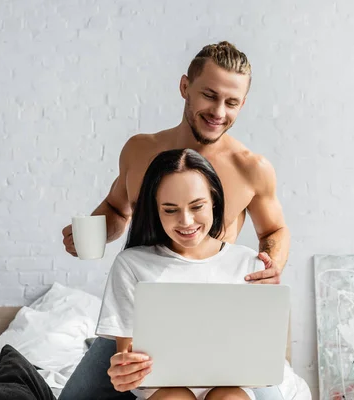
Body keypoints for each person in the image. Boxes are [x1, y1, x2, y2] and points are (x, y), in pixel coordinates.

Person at [59, 42, 290, 400]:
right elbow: (118, 210)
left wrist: (270, 264)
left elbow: (274, 230)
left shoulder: (250, 168)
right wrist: (91, 235)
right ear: (185, 87)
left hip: (219, 328)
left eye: (231, 102)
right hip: (145, 323)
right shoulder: (139, 150)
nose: (218, 111)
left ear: (242, 103)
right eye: (209, 96)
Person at [96, 148, 299, 400]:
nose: (186, 221)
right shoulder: (132, 264)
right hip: (163, 391)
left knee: (230, 397)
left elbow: (261, 350)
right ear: (155, 210)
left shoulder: (248, 263)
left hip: (233, 388)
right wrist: (125, 372)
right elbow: (126, 354)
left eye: (197, 206)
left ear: (214, 200)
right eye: (170, 210)